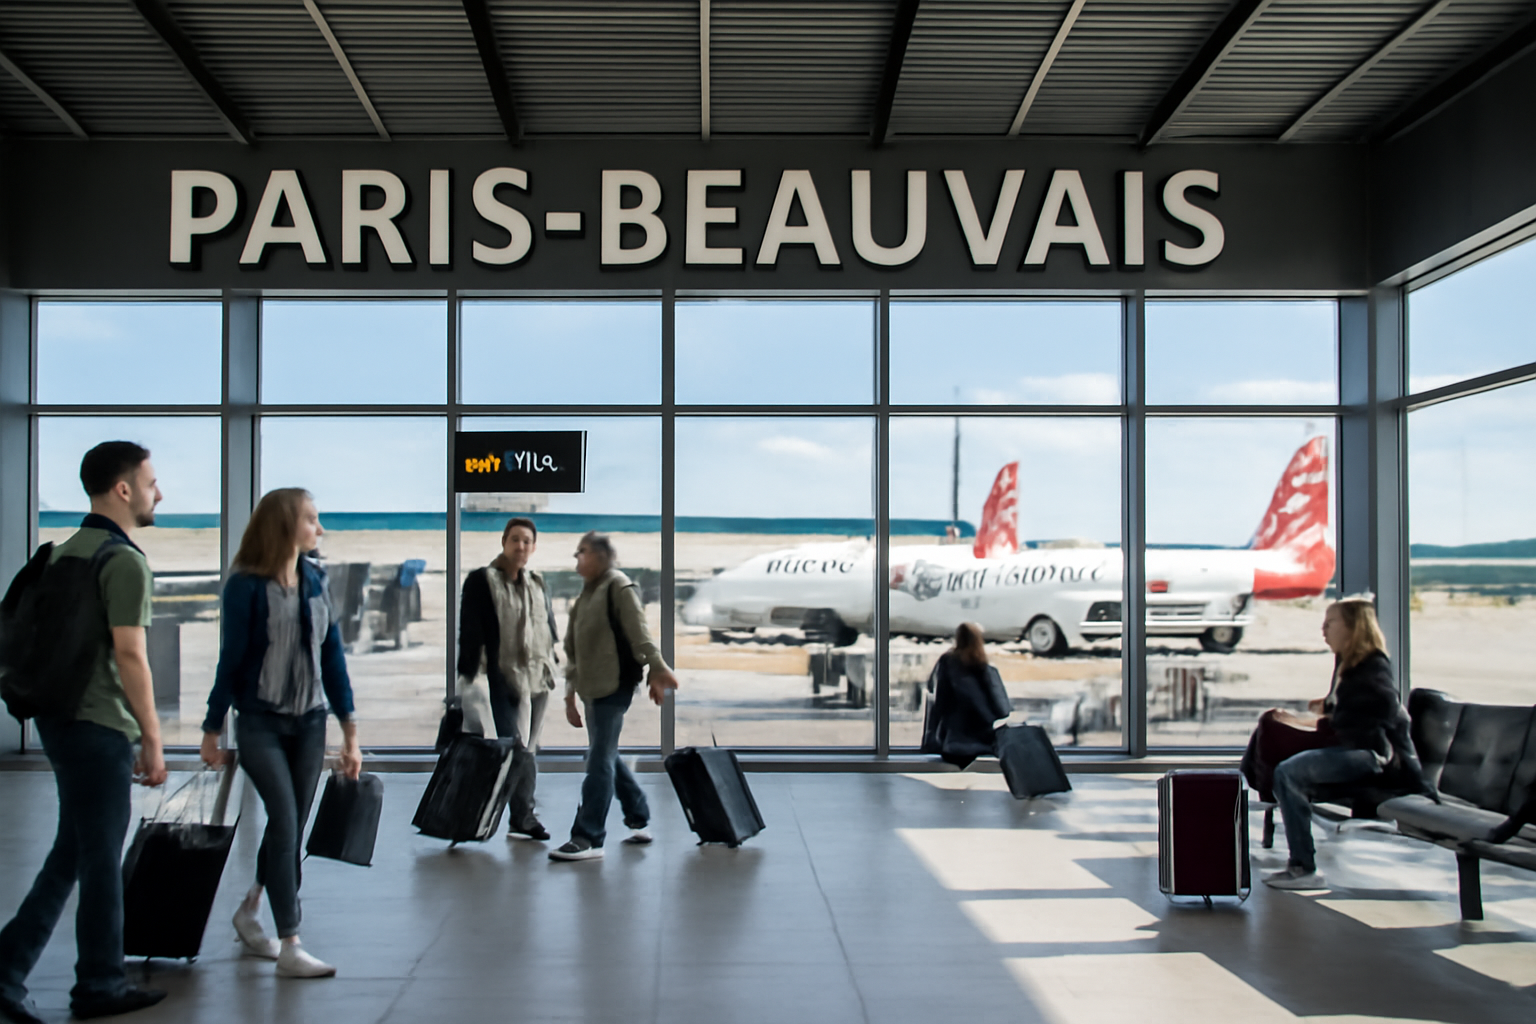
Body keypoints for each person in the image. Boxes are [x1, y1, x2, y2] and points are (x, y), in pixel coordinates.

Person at [0, 441, 168, 1023]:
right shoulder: (123, 561)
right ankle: (98, 984)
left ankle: (7, 968)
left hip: (58, 717)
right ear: (123, 490)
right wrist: (151, 736)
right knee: (100, 860)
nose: (158, 492)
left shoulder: (60, 551)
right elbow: (131, 654)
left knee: (70, 854)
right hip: (98, 726)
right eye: (150, 482)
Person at [200, 488, 361, 977]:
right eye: (312, 519)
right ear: (285, 524)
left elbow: (332, 656)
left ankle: (250, 912)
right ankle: (290, 941)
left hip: (310, 722)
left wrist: (350, 732)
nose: (320, 528)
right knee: (286, 820)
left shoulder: (316, 578)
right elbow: (230, 662)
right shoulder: (244, 586)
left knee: (284, 825)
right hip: (260, 722)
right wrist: (212, 727)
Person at [1263, 596, 1428, 890]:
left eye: (1330, 623)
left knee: (1288, 772)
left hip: (1369, 755)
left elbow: (1391, 714)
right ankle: (1300, 863)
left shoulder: (1372, 667)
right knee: (1286, 765)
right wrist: (1325, 708)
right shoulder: (1349, 665)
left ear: (1353, 627)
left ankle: (1304, 868)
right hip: (1354, 749)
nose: (1323, 630)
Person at [549, 532, 679, 862]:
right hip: (591, 687)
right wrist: (569, 696)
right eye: (576, 552)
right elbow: (572, 651)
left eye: (584, 552)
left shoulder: (618, 586)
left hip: (615, 685)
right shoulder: (585, 596)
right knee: (604, 754)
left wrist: (658, 668)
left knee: (598, 758)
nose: (577, 557)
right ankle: (639, 815)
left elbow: (640, 634)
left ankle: (588, 836)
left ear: (603, 556)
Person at [456, 516, 559, 840]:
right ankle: (516, 815)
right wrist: (469, 677)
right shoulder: (482, 581)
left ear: (534, 547)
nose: (521, 546)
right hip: (500, 679)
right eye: (515, 539)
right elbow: (470, 633)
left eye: (527, 541)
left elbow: (549, 629)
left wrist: (554, 663)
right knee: (514, 748)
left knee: (529, 748)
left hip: (538, 679)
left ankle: (519, 816)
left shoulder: (537, 583)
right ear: (504, 542)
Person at [920, 622, 1012, 768]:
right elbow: (1003, 710)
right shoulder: (985, 669)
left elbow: (938, 702)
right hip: (984, 745)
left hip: (953, 746)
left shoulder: (948, 663)